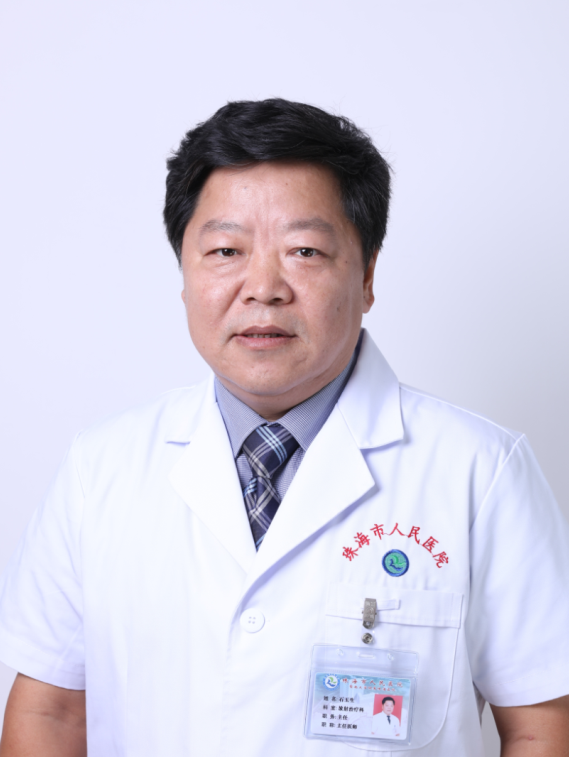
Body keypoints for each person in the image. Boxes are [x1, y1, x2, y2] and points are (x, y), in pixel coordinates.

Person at [0, 98, 568, 757]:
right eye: (225, 250)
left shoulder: (479, 469)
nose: (263, 287)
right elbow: (51, 713)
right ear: (183, 272)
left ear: (367, 275)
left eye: (304, 250)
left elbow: (541, 723)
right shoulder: (100, 468)